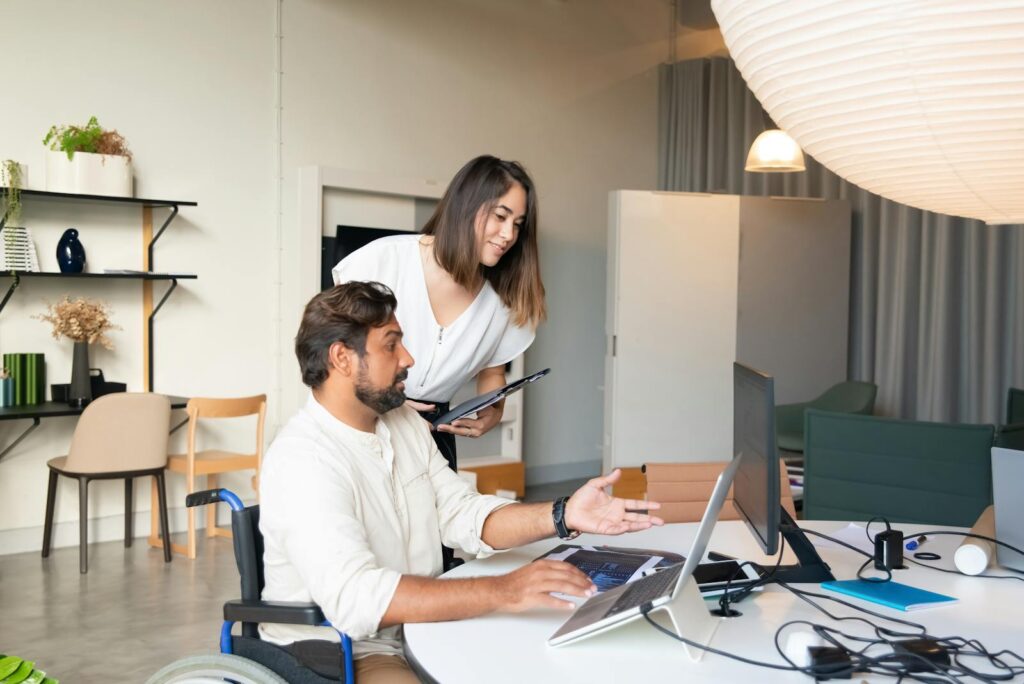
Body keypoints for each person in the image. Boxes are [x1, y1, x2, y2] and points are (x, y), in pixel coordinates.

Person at [259, 282, 662, 683]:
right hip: (351, 650)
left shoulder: (402, 424)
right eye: (391, 345)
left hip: (423, 626)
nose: (408, 358)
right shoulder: (303, 460)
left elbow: (461, 513)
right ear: (342, 358)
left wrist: (563, 513)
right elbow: (357, 599)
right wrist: (504, 591)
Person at [331, 154, 546, 475]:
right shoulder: (385, 259)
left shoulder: (501, 301)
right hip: (361, 422)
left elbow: (492, 372)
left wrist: (494, 409)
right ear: (466, 207)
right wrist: (383, 396)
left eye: (517, 224)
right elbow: (330, 351)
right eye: (500, 217)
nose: (508, 235)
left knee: (435, 524)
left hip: (433, 437)